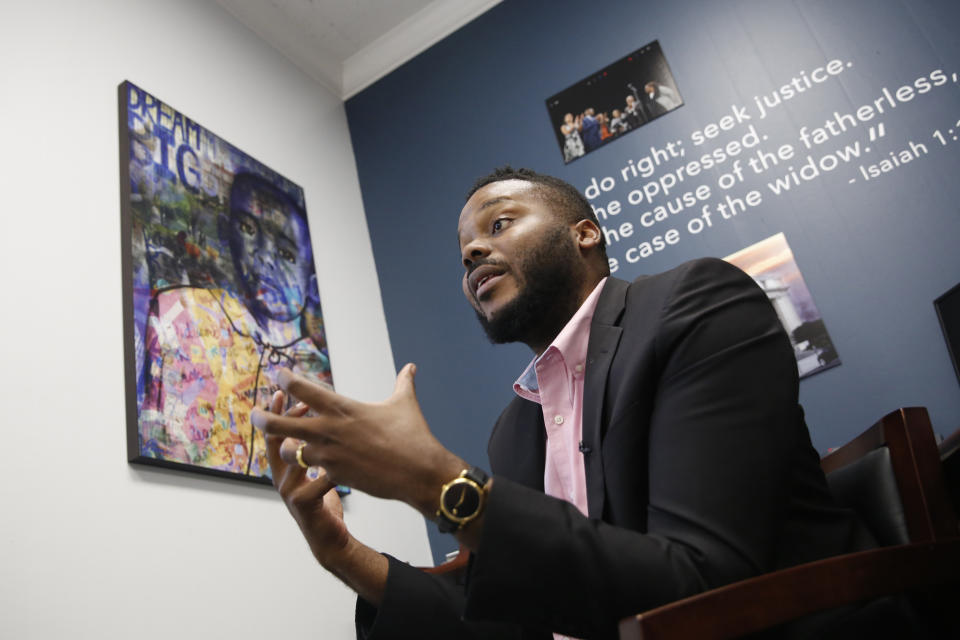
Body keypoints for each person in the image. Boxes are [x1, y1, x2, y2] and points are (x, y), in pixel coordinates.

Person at [251, 167, 884, 638]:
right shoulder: (516, 429)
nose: (472, 251)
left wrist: (437, 483)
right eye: (463, 250)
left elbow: (703, 583)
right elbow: (517, 625)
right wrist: (343, 553)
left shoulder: (693, 304)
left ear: (584, 234)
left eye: (499, 225)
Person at [138, 172, 331, 477]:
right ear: (226, 233)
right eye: (247, 229)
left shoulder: (318, 380)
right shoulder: (179, 311)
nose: (263, 258)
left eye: (285, 253)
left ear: (312, 284)